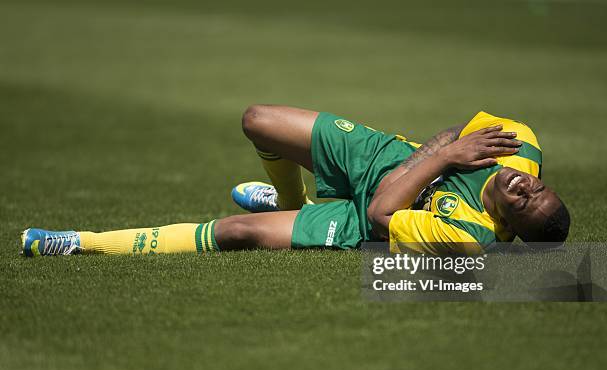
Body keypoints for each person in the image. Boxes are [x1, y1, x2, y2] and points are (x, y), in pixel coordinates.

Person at [21, 105, 570, 257]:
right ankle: (287, 197)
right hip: (382, 156)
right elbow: (457, 127)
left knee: (238, 232)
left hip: (361, 220)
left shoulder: (468, 239)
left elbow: (380, 213)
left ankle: (79, 242)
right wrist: (439, 152)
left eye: (524, 204)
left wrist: (446, 158)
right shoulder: (521, 144)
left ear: (511, 230)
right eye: (538, 188)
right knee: (257, 121)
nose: (523, 187)